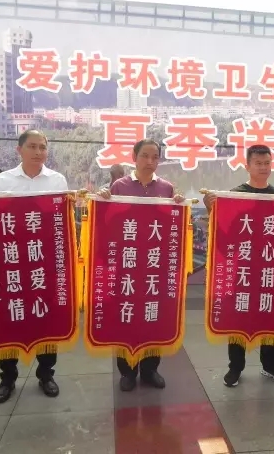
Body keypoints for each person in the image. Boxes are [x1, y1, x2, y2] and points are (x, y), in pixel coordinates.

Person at [0, 130, 68, 403]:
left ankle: (46, 374)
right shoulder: (5, 179)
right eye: (32, 146)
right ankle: (7, 378)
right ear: (19, 150)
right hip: (13, 260)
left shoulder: (57, 180)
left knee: (46, 318)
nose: (38, 152)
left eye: (42, 147)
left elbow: (62, 221)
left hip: (45, 261)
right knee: (11, 315)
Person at [203, 145, 274, 387]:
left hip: (270, 266)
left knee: (269, 312)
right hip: (244, 267)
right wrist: (211, 209)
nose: (263, 167)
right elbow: (224, 233)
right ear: (247, 166)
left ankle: (270, 364)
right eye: (258, 163)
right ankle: (235, 367)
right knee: (239, 315)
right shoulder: (235, 195)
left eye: (267, 163)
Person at [97, 139, 184, 392]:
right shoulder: (119, 186)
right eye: (145, 155)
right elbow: (108, 222)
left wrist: (178, 204)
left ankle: (149, 369)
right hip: (126, 263)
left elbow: (172, 225)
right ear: (134, 157)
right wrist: (103, 199)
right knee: (124, 315)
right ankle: (127, 371)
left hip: (154, 265)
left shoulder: (167, 188)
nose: (149, 161)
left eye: (155, 157)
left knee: (152, 314)